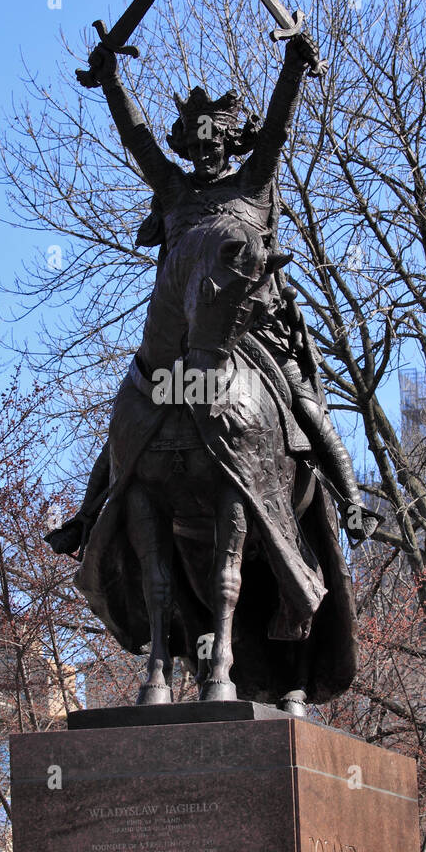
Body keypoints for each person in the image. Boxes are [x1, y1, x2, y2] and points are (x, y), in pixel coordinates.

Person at [47, 31, 379, 557]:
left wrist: (292, 68)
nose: (203, 155)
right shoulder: (174, 193)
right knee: (130, 412)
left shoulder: (254, 184)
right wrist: (110, 80)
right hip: (180, 336)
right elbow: (138, 140)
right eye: (195, 147)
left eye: (213, 146)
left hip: (253, 330)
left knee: (303, 404)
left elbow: (274, 132)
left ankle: (351, 499)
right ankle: (92, 513)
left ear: (228, 146)